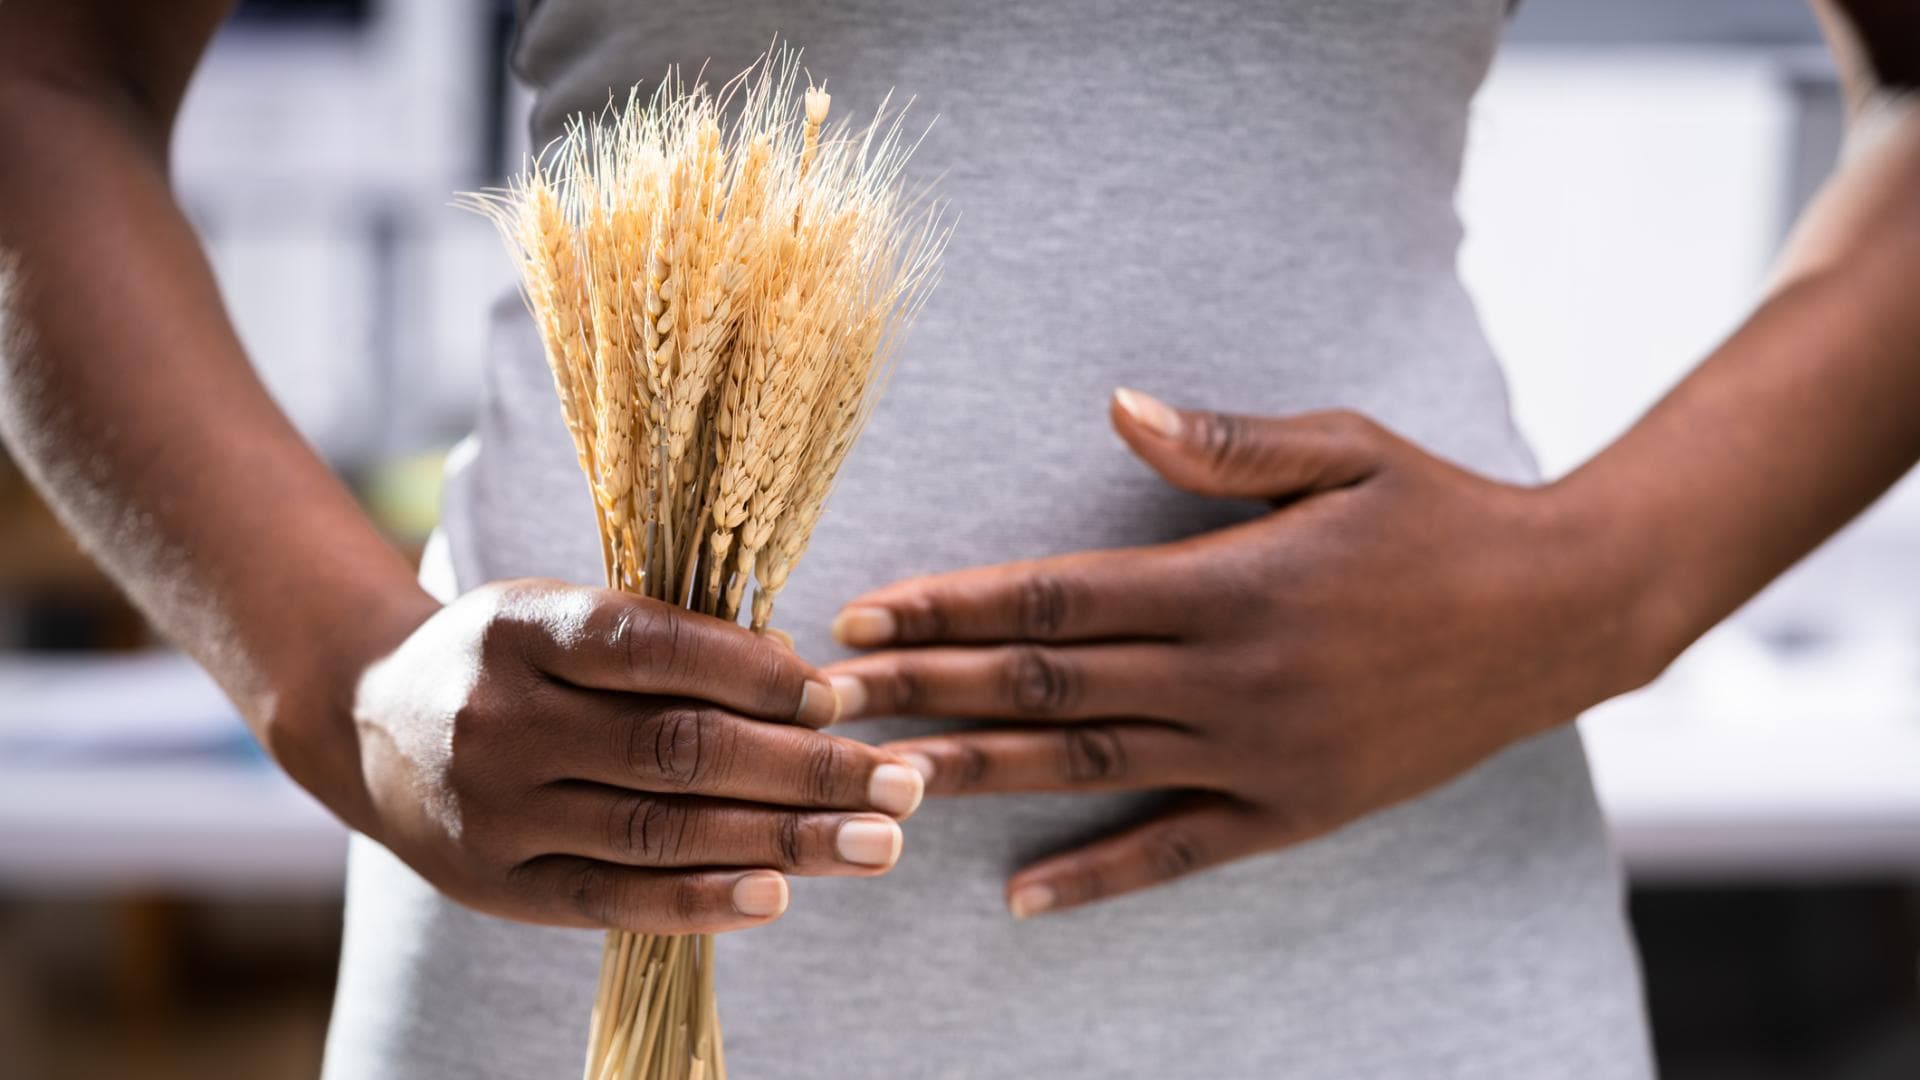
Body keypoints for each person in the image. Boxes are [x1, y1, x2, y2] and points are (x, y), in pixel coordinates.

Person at [2, 0, 1916, 1075]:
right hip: (591, 952)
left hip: (1388, 967)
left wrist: (1609, 589)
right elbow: (45, 66)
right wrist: (344, 682)